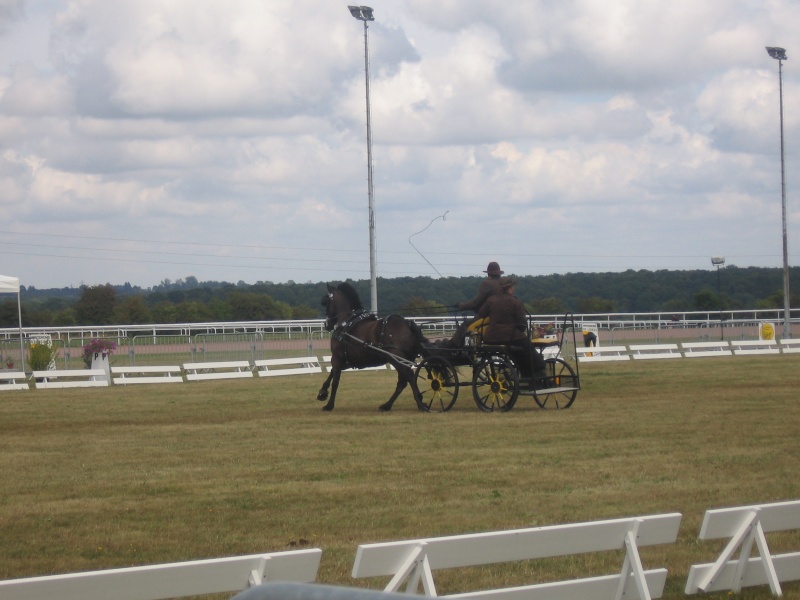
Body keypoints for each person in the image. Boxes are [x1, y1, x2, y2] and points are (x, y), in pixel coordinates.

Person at [476, 277, 546, 379]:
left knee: (517, 350)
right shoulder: (515, 302)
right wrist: (520, 331)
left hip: (491, 337)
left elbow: (481, 314)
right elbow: (522, 323)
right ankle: (538, 368)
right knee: (527, 345)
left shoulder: (491, 300)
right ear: (511, 287)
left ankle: (525, 373)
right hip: (510, 336)